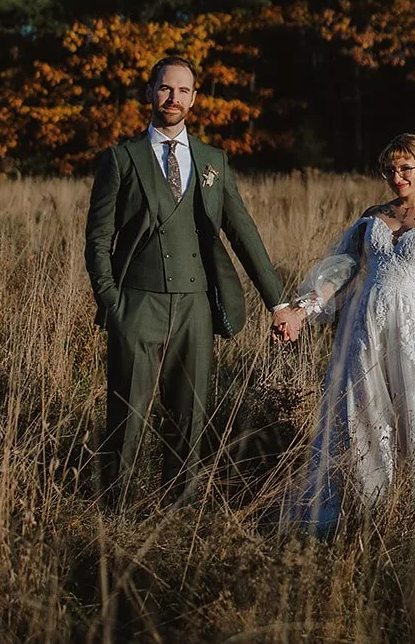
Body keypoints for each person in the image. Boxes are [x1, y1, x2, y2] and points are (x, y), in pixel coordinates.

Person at [85, 54, 288, 503]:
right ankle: (114, 508)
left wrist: (278, 302)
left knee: (189, 414)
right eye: (164, 88)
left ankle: (176, 513)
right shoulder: (121, 159)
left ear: (194, 99)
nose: (172, 98)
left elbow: (243, 232)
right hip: (136, 303)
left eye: (182, 90)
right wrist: (111, 304)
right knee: (127, 412)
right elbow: (97, 239)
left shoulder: (213, 160)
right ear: (149, 93)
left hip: (196, 305)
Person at [272, 133, 415, 528]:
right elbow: (340, 271)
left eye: (405, 169)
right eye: (390, 169)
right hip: (365, 327)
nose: (397, 177)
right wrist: (301, 311)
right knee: (362, 412)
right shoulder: (373, 216)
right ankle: (363, 505)